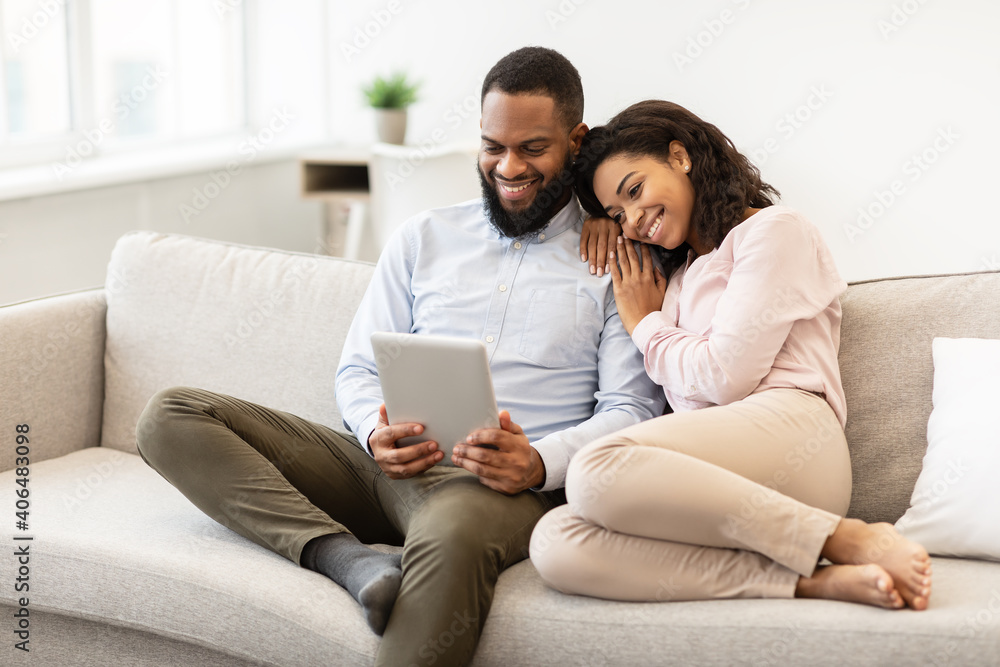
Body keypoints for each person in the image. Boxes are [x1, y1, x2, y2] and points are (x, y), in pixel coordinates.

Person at [135, 47, 663, 667]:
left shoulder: (619, 259)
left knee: (453, 528)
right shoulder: (424, 236)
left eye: (533, 149)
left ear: (576, 142)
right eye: (493, 146)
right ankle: (347, 557)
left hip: (500, 490)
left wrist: (536, 463)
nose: (508, 167)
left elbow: (632, 410)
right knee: (172, 415)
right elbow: (357, 368)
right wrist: (373, 429)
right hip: (385, 468)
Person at [529, 100, 933, 611]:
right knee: (555, 540)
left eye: (635, 191)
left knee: (595, 470)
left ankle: (841, 537)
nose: (633, 220)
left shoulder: (773, 231)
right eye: (617, 214)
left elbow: (722, 377)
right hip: (712, 481)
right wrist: (600, 227)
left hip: (794, 438)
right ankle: (806, 581)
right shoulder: (671, 278)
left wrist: (645, 325)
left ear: (680, 157)